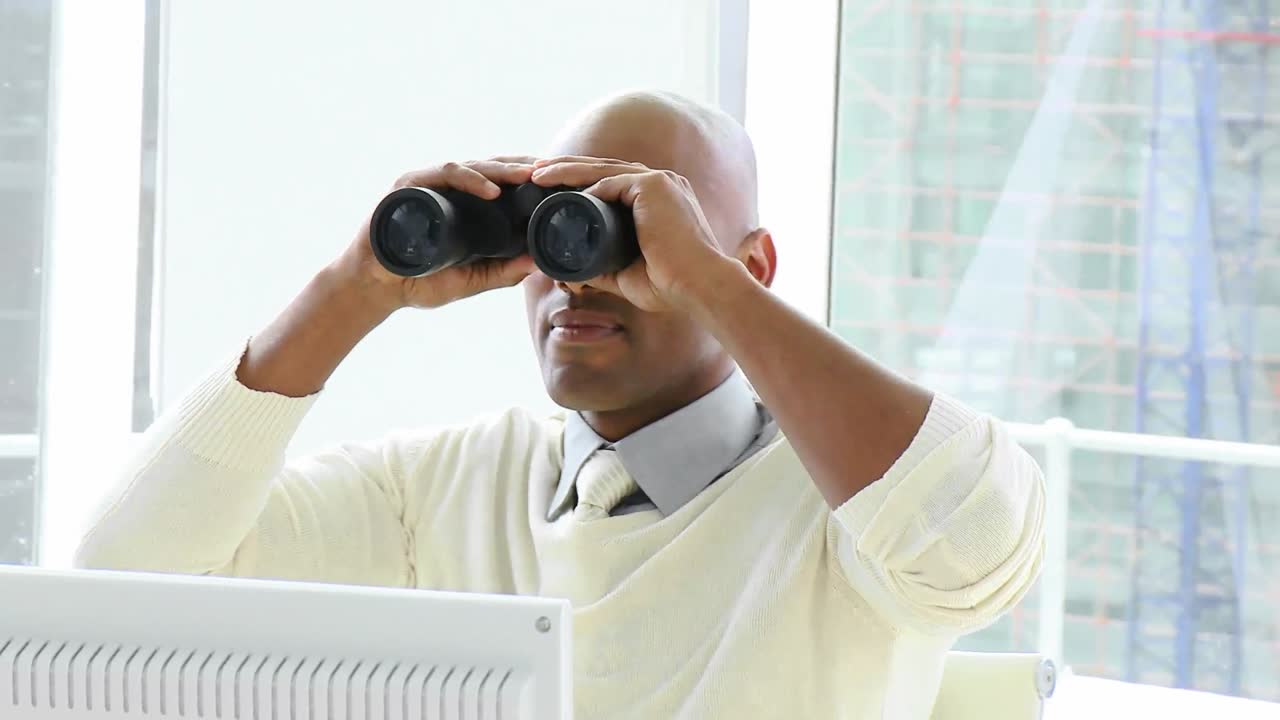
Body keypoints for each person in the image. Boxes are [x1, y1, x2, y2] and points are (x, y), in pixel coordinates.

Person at [75, 91, 1045, 718]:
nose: (575, 278)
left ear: (744, 265)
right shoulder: (447, 485)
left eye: (619, 233)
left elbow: (975, 542)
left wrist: (705, 283)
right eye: (554, 233)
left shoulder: (844, 512)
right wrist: (352, 288)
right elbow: (131, 578)